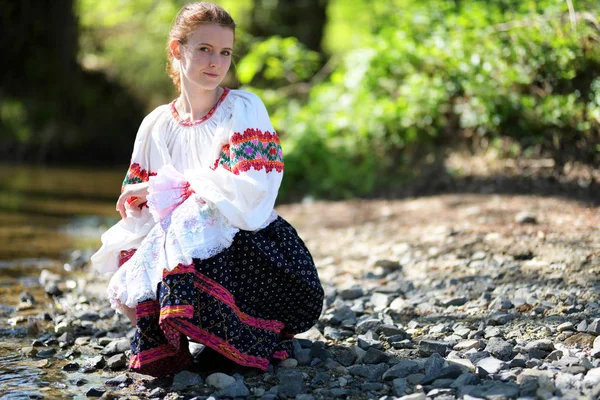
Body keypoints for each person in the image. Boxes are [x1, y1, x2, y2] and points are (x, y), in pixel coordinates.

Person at [91, 1, 324, 377]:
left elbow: (253, 191)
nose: (215, 62)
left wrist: (173, 188)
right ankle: (176, 337)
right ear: (176, 50)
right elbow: (145, 207)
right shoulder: (155, 125)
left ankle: (242, 332)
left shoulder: (243, 109)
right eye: (204, 49)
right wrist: (141, 206)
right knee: (134, 250)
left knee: (192, 212)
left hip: (254, 253)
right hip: (185, 253)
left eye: (225, 52)